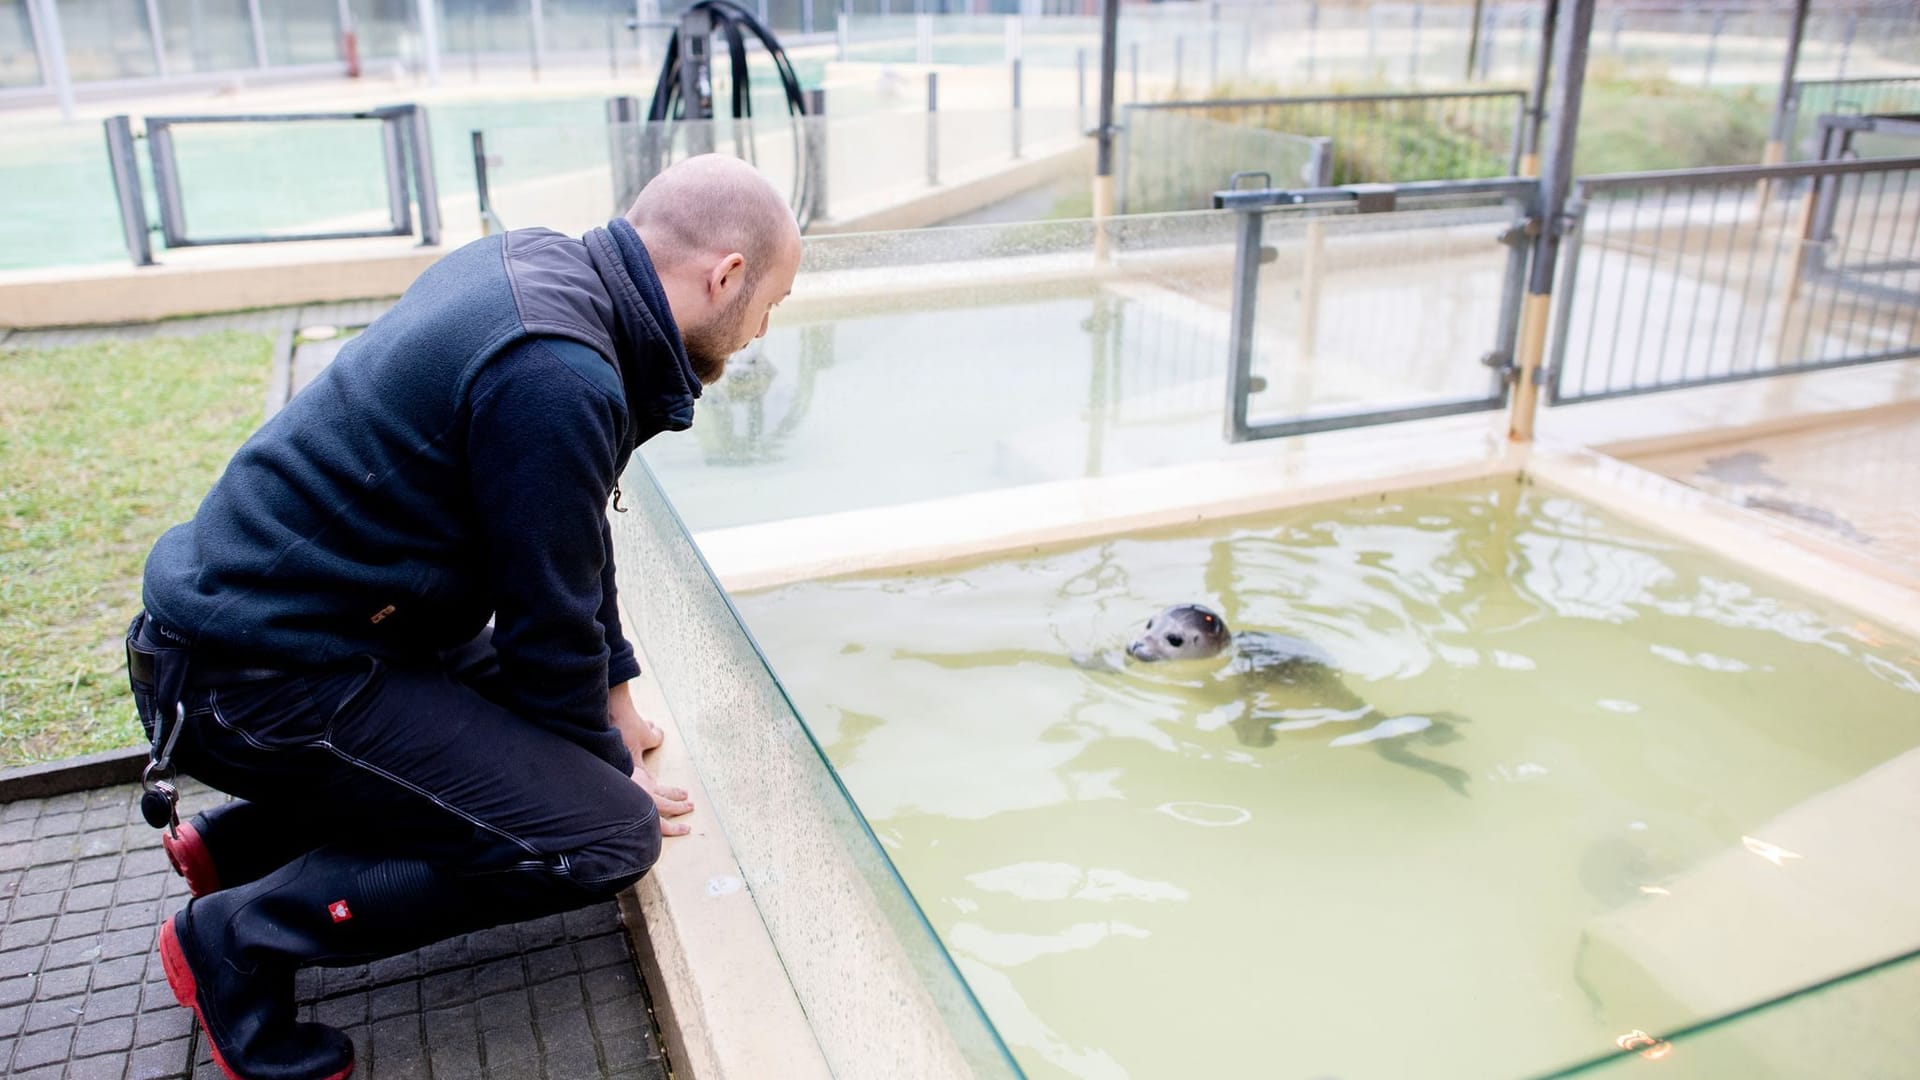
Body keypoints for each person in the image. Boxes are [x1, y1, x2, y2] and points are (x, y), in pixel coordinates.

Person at [124, 154, 803, 1080]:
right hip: (250, 681)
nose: (764, 329)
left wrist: (617, 694)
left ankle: (236, 843)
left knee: (534, 753)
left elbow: (567, 545)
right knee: (600, 837)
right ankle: (235, 941)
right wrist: (606, 776)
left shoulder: (540, 273)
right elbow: (543, 629)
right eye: (771, 302)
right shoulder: (557, 374)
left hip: (300, 636)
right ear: (725, 276)